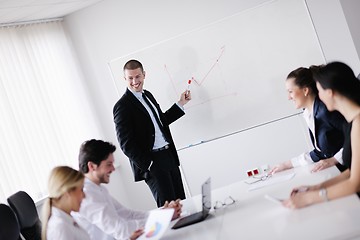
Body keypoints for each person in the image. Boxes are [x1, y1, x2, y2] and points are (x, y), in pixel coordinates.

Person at [113, 59, 191, 207]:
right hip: (153, 163)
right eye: (130, 78)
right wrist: (148, 165)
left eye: (138, 76)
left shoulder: (148, 95)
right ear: (125, 79)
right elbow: (125, 144)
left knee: (182, 204)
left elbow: (160, 121)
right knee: (168, 210)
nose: (135, 81)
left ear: (144, 75)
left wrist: (180, 103)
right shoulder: (122, 106)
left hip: (168, 156)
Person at [283, 61, 360, 209]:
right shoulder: (353, 122)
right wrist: (317, 187)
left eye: (319, 91)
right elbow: (353, 171)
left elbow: (355, 183)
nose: (319, 97)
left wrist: (309, 199)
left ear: (330, 93)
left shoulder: (358, 123)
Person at [72, 139, 182, 240]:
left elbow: (128, 214)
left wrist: (163, 213)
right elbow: (121, 230)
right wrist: (163, 218)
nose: (113, 169)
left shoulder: (97, 189)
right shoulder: (86, 194)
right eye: (109, 164)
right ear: (92, 166)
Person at [269, 66, 347, 174]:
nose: (289, 97)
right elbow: (321, 152)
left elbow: (356, 137)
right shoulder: (309, 113)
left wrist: (334, 159)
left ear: (305, 90)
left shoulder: (326, 110)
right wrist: (287, 164)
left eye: (290, 91)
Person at [41, 166, 90, 240]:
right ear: (67, 193)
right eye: (81, 189)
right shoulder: (60, 228)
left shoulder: (66, 220)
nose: (84, 196)